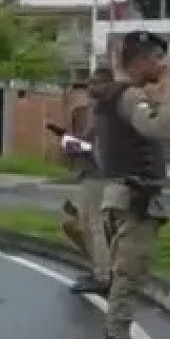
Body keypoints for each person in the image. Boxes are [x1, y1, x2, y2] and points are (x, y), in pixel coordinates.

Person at [93, 30, 170, 339]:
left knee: (122, 278)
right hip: (133, 199)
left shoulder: (110, 97)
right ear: (139, 61)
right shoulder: (128, 97)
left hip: (119, 194)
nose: (161, 65)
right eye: (156, 59)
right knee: (128, 280)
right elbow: (159, 128)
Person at [65, 67, 115, 295]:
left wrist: (72, 145)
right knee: (85, 224)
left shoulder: (107, 111)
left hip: (99, 174)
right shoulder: (99, 110)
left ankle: (103, 276)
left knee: (95, 225)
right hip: (89, 174)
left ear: (107, 84)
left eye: (95, 83)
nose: (90, 88)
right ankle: (98, 270)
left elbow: (96, 147)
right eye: (89, 84)